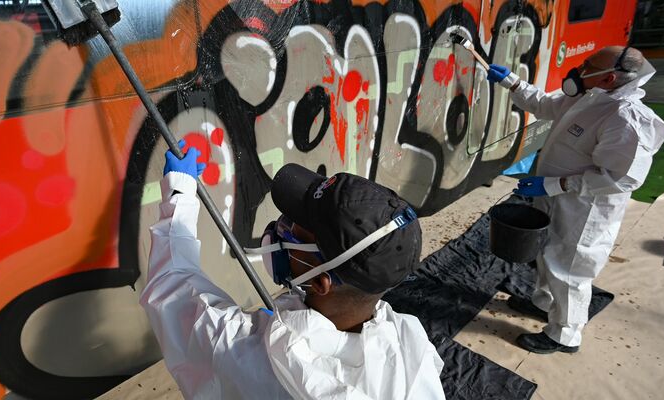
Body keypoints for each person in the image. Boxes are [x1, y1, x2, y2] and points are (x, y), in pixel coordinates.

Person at [139, 141, 446, 399]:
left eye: (293, 231)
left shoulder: (243, 353)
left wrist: (179, 194)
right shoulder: (411, 353)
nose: (281, 228)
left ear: (321, 282)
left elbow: (171, 289)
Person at [487, 46, 664, 354]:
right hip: (554, 197)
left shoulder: (625, 119)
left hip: (585, 209)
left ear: (610, 78)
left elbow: (621, 178)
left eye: (588, 66)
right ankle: (544, 303)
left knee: (569, 269)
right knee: (546, 253)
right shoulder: (589, 96)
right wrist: (513, 83)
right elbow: (545, 104)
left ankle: (564, 334)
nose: (580, 69)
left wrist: (557, 184)